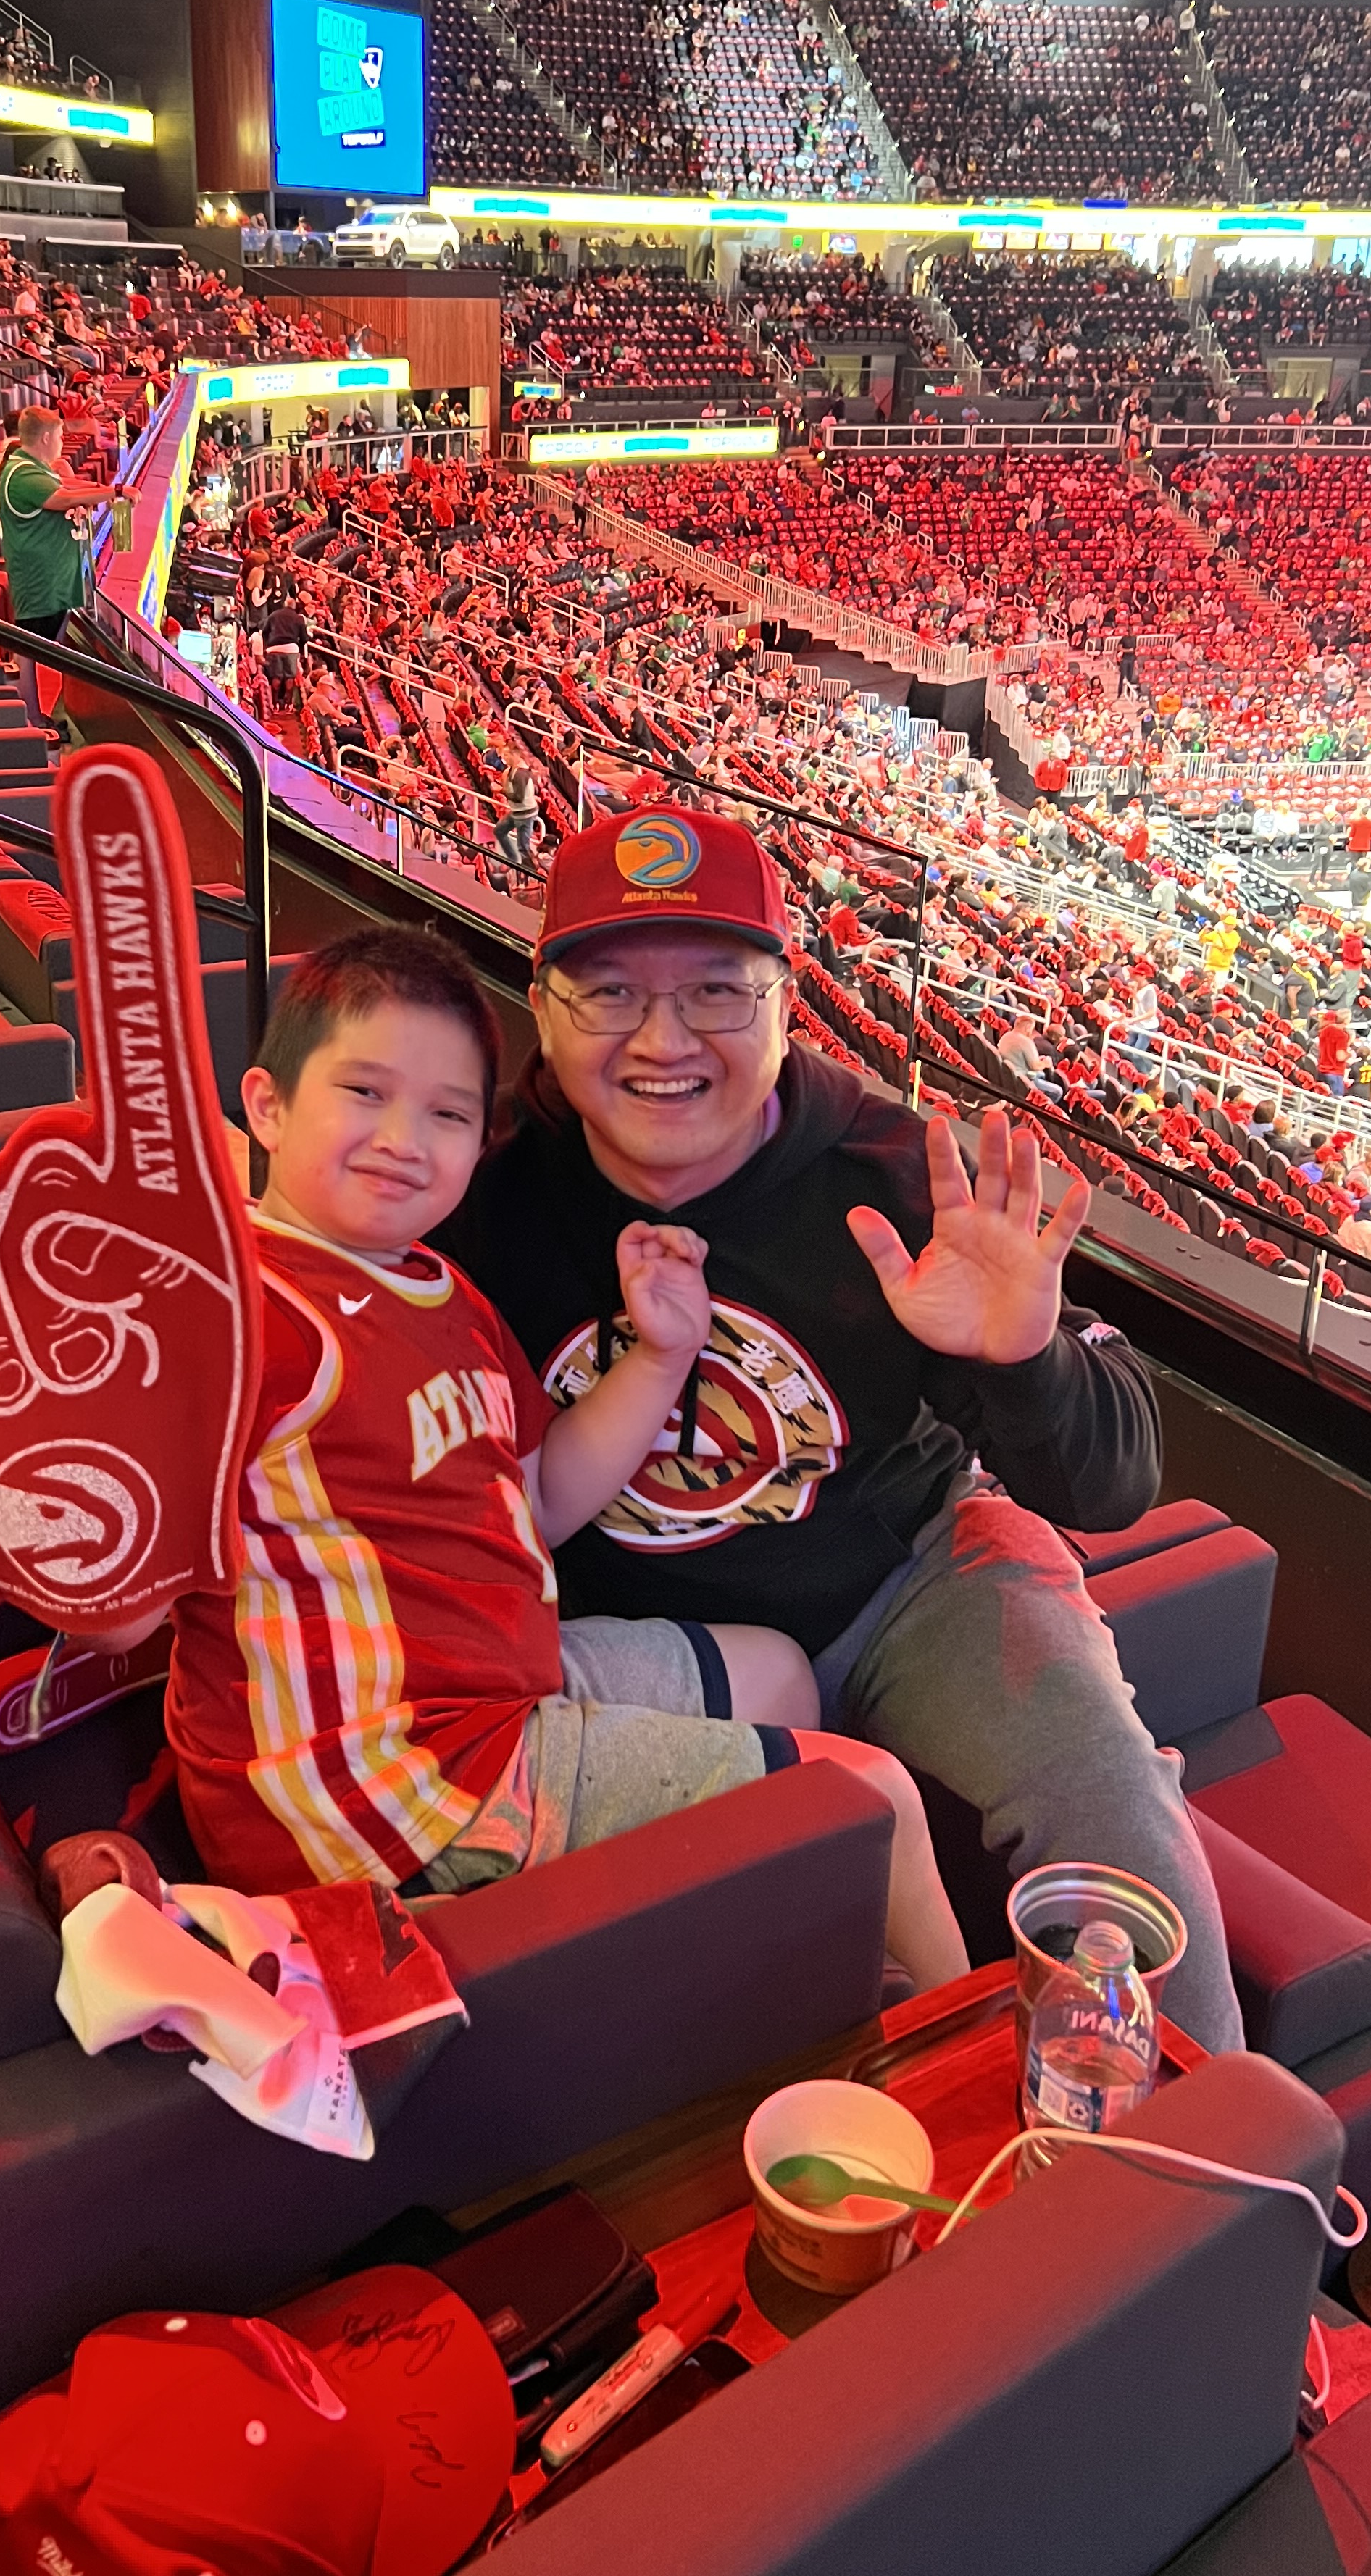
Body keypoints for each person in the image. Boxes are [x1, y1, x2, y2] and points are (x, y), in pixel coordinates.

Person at [435, 806, 1243, 2053]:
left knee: (1101, 1784)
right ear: (538, 1007)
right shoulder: (475, 1194)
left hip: (898, 1580)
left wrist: (1021, 1360)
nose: (662, 1040)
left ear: (783, 998)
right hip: (619, 1630)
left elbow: (1115, 1477)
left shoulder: (896, 1175)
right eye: (607, 993)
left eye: (715, 988)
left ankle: (1202, 2177)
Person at [168, 924, 967, 1989]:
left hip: (489, 1696)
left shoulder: (440, 1293)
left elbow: (539, 1499)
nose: (405, 1138)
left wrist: (662, 1350)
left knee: (775, 1673)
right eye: (364, 1094)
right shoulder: (238, 1311)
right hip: (388, 1791)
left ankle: (758, 1987)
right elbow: (121, 1572)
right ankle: (959, 2072)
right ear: (267, 1107)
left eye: (447, 1114)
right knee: (873, 1799)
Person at [0, 404, 109, 713]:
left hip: (52, 580)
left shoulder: (34, 468)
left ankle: (37, 715)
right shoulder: (22, 473)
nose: (62, 441)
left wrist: (96, 493)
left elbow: (66, 490)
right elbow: (62, 498)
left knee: (43, 647)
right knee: (34, 650)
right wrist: (114, 492)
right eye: (59, 435)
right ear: (45, 438)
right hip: (39, 582)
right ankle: (32, 718)